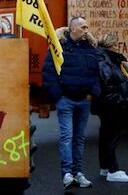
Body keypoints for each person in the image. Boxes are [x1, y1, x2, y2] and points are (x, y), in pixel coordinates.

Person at [42, 17, 101, 189]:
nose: (86, 30)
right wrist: (58, 95)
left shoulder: (90, 49)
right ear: (73, 29)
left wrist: (93, 93)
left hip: (83, 100)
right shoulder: (58, 47)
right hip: (65, 100)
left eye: (86, 27)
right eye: (83, 27)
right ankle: (67, 174)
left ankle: (78, 173)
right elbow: (48, 72)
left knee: (79, 138)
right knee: (67, 136)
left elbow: (96, 72)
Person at [92, 33, 128, 182]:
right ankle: (113, 169)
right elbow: (109, 84)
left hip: (109, 103)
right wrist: (121, 100)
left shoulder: (106, 59)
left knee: (106, 135)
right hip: (113, 104)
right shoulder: (106, 61)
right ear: (111, 45)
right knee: (112, 136)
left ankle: (105, 167)